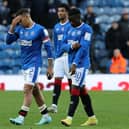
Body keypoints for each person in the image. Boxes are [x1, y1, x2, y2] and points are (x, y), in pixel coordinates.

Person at [6, 8, 53, 125]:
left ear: (26, 17)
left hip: (34, 64)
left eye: (20, 21)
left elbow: (49, 48)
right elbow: (8, 41)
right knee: (35, 91)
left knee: (27, 89)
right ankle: (46, 116)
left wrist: (50, 67)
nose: (19, 23)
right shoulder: (20, 29)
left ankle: (21, 117)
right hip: (25, 64)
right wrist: (12, 25)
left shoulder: (40, 30)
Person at [59, 8, 98, 126]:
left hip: (81, 64)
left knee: (75, 88)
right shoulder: (68, 28)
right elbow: (62, 47)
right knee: (82, 91)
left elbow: (84, 47)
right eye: (69, 20)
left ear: (78, 17)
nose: (71, 22)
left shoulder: (87, 29)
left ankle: (69, 118)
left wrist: (75, 63)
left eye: (72, 20)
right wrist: (71, 46)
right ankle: (92, 118)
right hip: (71, 63)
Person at [47, 3, 72, 113]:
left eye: (62, 11)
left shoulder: (71, 25)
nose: (60, 13)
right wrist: (56, 56)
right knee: (57, 80)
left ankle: (72, 105)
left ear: (67, 12)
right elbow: (55, 42)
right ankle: (54, 105)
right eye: (58, 11)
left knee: (71, 81)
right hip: (59, 58)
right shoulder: (56, 27)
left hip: (69, 56)